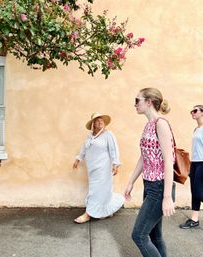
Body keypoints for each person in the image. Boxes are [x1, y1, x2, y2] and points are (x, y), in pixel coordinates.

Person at [124, 88, 176, 257]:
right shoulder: (149, 125)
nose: (134, 104)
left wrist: (167, 197)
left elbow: (169, 161)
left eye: (137, 100)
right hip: (150, 186)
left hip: (160, 188)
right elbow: (144, 156)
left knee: (138, 235)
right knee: (154, 235)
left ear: (148, 102)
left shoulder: (161, 124)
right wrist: (131, 181)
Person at [73, 112, 124, 223]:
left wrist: (116, 164)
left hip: (104, 169)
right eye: (97, 120)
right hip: (92, 169)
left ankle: (88, 214)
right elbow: (84, 149)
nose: (100, 121)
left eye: (101, 120)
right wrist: (78, 159)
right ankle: (105, 211)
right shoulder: (90, 136)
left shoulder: (108, 135)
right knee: (100, 191)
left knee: (95, 190)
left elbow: (114, 150)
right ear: (93, 124)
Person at [179, 105, 203, 229]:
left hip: (202, 163)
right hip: (194, 163)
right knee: (194, 191)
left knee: (199, 192)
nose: (192, 113)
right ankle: (194, 219)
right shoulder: (196, 129)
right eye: (191, 111)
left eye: (195, 111)